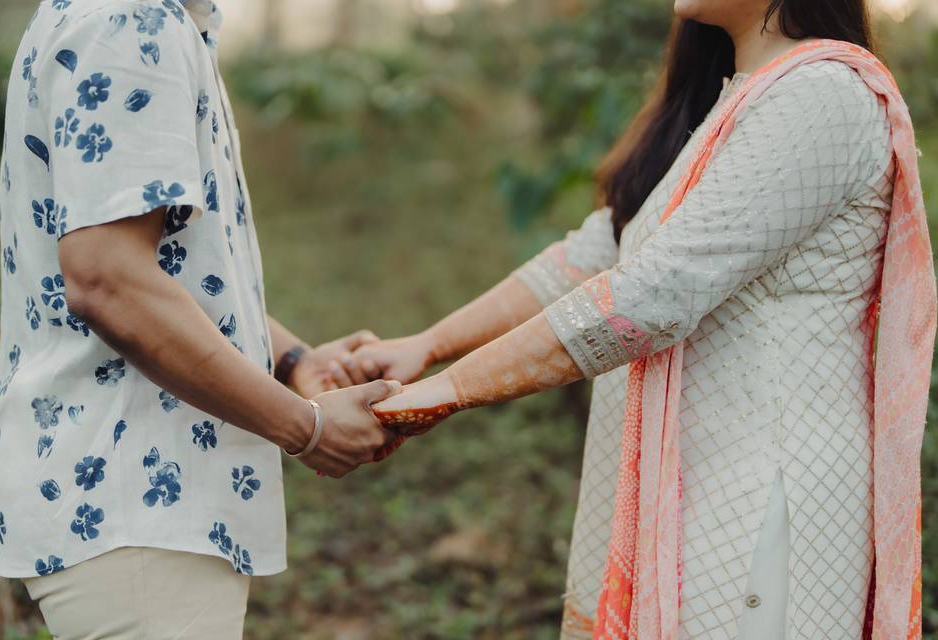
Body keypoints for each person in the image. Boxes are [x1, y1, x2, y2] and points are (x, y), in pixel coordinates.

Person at [345, 0, 937, 637]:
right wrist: (428, 346)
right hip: (695, 471)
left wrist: (446, 393)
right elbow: (596, 253)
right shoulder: (728, 100)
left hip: (766, 485)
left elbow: (652, 295)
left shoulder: (823, 96)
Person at [0, 1, 400, 637]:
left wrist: (295, 361)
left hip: (140, 498)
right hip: (138, 494)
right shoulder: (131, 20)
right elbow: (109, 280)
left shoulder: (141, 19)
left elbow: (164, 271)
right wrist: (307, 429)